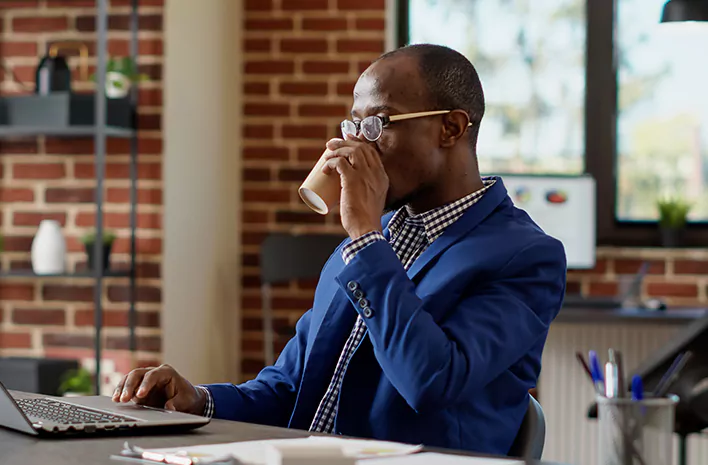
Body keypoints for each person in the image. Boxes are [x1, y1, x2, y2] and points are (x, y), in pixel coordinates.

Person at [112, 43, 567, 455]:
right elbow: (292, 387)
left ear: (450, 128)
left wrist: (366, 236)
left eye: (377, 124)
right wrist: (198, 399)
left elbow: (431, 380)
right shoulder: (364, 244)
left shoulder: (525, 258)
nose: (355, 143)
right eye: (353, 124)